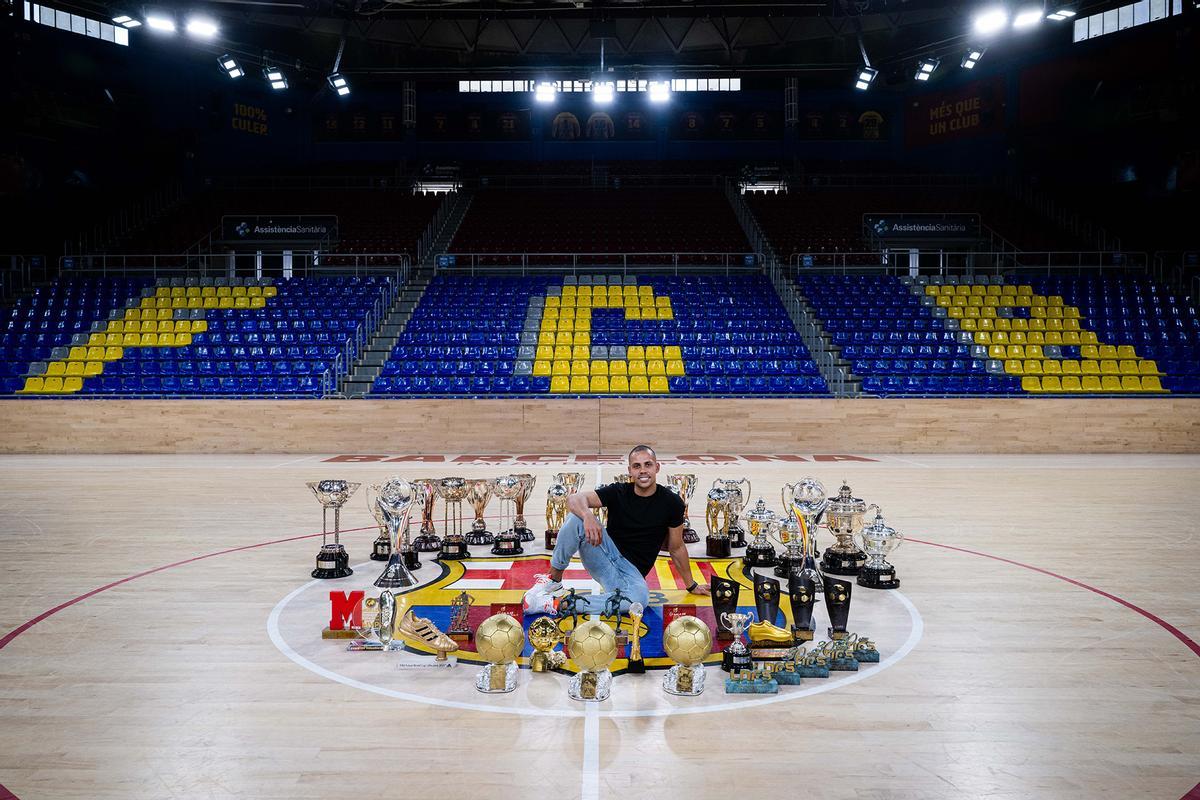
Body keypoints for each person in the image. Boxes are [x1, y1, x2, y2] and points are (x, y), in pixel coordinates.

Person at [522, 444, 711, 616]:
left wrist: (691, 584)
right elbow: (574, 499)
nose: (643, 471)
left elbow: (676, 548)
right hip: (604, 555)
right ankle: (553, 582)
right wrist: (588, 516)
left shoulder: (672, 502)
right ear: (630, 471)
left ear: (657, 467)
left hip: (630, 574)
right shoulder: (618, 491)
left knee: (639, 600)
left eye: (648, 464)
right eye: (637, 466)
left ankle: (558, 604)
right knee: (576, 519)